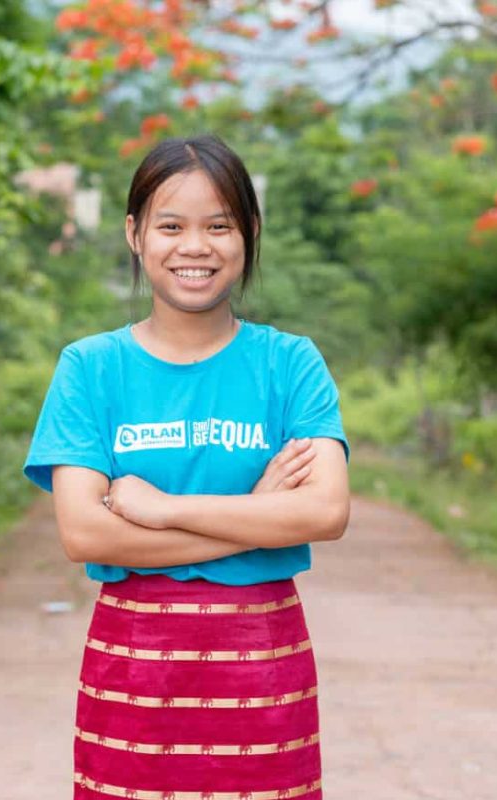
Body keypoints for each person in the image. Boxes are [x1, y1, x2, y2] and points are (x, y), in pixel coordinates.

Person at [22, 134, 350, 800]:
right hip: (133, 673)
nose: (194, 247)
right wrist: (261, 514)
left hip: (262, 668)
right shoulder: (91, 368)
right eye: (171, 226)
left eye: (219, 226)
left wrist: (163, 508)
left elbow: (324, 512)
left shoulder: (290, 363)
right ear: (135, 234)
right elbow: (85, 535)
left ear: (249, 234)